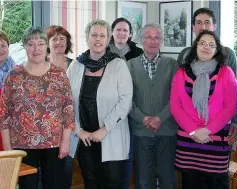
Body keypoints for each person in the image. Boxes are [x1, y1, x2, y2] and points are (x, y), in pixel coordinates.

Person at [0, 26, 75, 189]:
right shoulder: (13, 75)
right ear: (25, 46)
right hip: (22, 145)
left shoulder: (59, 75)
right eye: (31, 44)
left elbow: (68, 109)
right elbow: (4, 113)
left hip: (54, 143)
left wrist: (66, 141)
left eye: (40, 43)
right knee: (27, 186)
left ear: (46, 46)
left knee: (54, 185)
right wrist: (7, 145)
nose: (36, 48)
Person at [67, 19, 133, 189]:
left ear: (108, 38)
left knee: (112, 183)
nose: (98, 39)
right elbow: (65, 103)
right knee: (90, 183)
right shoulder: (75, 65)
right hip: (85, 139)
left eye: (102, 35)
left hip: (111, 135)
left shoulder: (118, 64)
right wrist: (78, 130)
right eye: (94, 35)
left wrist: (104, 129)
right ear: (87, 38)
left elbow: (125, 101)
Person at [170, 30, 237, 189]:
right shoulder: (181, 72)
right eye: (202, 43)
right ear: (196, 46)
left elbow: (230, 107)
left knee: (217, 185)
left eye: (211, 45)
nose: (206, 47)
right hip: (189, 143)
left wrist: (207, 130)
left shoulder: (226, 72)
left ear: (216, 50)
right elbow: (175, 106)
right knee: (190, 184)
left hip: (215, 143)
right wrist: (194, 131)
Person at [176, 7, 237, 147]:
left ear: (214, 26)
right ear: (193, 27)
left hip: (219, 128)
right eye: (198, 22)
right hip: (189, 130)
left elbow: (235, 93)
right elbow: (178, 96)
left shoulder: (228, 54)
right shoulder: (185, 55)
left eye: (207, 22)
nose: (203, 26)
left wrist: (235, 121)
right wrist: (191, 128)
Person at [127, 23, 178, 189]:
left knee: (167, 178)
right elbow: (126, 99)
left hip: (167, 130)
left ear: (162, 41)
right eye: (149, 37)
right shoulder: (130, 65)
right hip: (141, 131)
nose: (153, 41)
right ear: (142, 40)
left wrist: (159, 118)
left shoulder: (172, 64)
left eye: (157, 38)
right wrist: (144, 119)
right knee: (143, 179)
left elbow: (177, 97)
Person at [108, 17, 143, 188]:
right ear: (112, 32)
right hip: (108, 110)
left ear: (130, 34)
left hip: (132, 110)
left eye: (125, 30)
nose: (121, 33)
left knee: (127, 153)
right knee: (110, 152)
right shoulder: (102, 51)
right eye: (118, 29)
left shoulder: (138, 53)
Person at [45, 24, 76, 189]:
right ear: (47, 43)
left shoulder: (76, 65)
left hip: (69, 127)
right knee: (45, 173)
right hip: (44, 129)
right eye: (54, 39)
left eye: (62, 39)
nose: (58, 42)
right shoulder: (39, 64)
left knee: (65, 169)